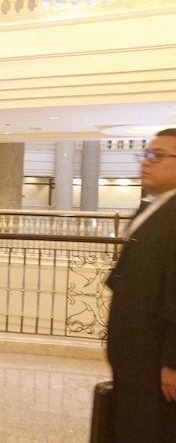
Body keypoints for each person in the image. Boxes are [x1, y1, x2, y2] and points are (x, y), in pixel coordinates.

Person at [105, 127, 176, 442]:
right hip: (134, 352)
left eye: (157, 156)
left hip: (156, 357)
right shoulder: (153, 207)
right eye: (146, 154)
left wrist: (173, 362)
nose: (146, 162)